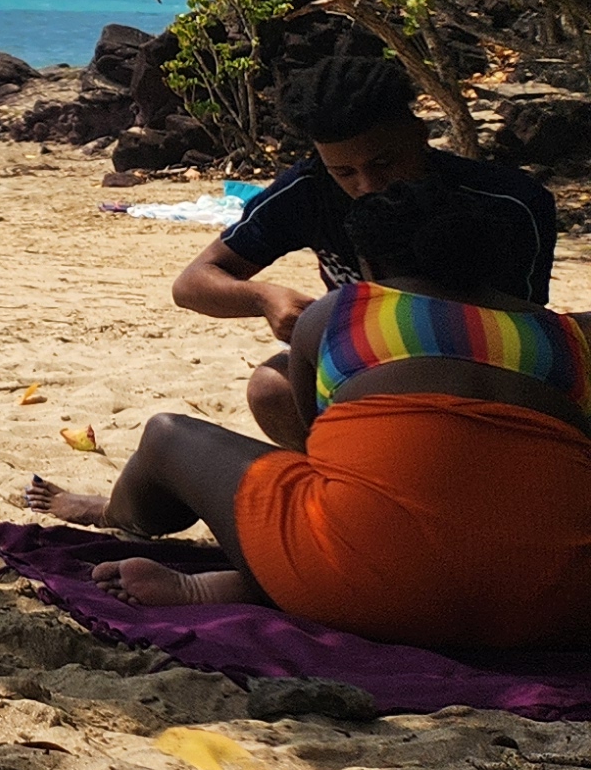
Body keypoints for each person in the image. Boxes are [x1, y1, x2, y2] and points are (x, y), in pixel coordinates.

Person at [32, 177, 591, 648]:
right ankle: (254, 580)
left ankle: (121, 516)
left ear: (368, 263)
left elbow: (312, 438)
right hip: (552, 606)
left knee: (166, 435)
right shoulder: (571, 336)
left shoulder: (341, 309)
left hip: (366, 585)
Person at [169, 24, 555, 443]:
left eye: (384, 162)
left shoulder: (507, 201)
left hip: (484, 363)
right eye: (344, 172)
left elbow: (527, 321)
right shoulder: (309, 189)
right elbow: (193, 283)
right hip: (364, 361)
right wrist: (264, 298)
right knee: (271, 387)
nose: (367, 185)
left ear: (419, 134)